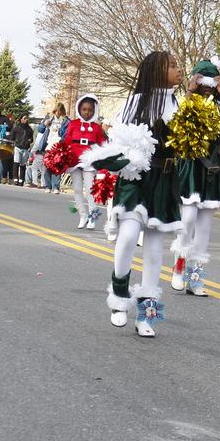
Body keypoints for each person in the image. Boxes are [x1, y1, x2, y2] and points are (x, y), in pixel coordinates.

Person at [82, 51, 184, 337]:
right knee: (127, 238)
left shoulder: (182, 105)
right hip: (136, 178)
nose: (179, 69)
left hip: (165, 180)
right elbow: (119, 141)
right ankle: (118, 297)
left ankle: (147, 314)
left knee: (153, 250)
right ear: (157, 70)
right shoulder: (134, 102)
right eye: (173, 65)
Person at [170, 60, 220, 294]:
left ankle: (195, 278)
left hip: (211, 167)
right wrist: (191, 89)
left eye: (211, 82)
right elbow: (175, 118)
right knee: (188, 217)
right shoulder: (187, 101)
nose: (207, 86)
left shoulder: (219, 106)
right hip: (190, 164)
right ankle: (179, 266)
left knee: (204, 226)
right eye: (204, 81)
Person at [63, 94, 107, 229]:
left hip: (89, 160)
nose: (87, 112)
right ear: (79, 109)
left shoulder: (97, 127)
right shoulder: (73, 124)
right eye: (84, 109)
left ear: (94, 111)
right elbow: (66, 141)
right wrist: (62, 157)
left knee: (90, 189)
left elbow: (103, 144)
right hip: (74, 159)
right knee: (76, 189)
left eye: (90, 110)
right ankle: (82, 215)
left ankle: (92, 217)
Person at [42, 103, 69, 193]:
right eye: (57, 111)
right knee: (47, 166)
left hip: (58, 145)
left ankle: (56, 186)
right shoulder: (49, 118)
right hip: (49, 145)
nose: (58, 113)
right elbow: (40, 129)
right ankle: (47, 186)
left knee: (57, 166)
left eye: (60, 111)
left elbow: (66, 133)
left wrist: (61, 128)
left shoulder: (65, 121)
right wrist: (45, 124)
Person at [11, 114, 33, 186]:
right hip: (18, 147)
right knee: (16, 162)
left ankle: (21, 180)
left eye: (27, 118)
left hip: (25, 148)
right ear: (21, 119)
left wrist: (30, 140)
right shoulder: (16, 127)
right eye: (24, 118)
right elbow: (12, 137)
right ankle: (15, 179)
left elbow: (31, 139)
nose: (26, 119)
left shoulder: (29, 129)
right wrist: (15, 142)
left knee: (23, 164)